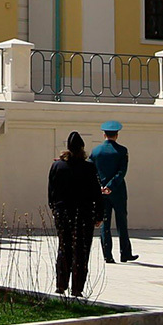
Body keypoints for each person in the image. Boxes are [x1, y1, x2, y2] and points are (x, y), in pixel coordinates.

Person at [47, 131, 103, 297]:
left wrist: (54, 208)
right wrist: (99, 214)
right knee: (81, 250)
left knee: (64, 247)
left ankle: (61, 284)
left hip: (63, 212)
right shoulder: (88, 168)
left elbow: (51, 191)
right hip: (83, 214)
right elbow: (96, 193)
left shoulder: (57, 166)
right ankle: (77, 288)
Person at [91, 121, 138, 263]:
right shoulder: (122, 151)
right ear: (117, 135)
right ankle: (125, 253)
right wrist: (111, 186)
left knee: (105, 222)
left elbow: (92, 171)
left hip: (101, 192)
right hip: (118, 191)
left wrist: (101, 186)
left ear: (104, 134)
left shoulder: (95, 151)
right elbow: (121, 172)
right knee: (121, 222)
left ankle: (107, 255)